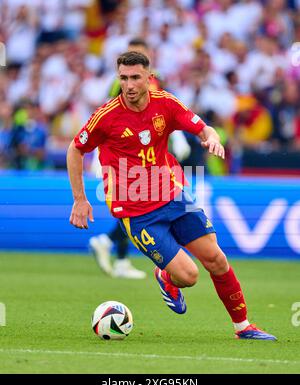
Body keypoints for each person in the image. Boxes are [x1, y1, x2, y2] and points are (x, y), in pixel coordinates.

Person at [67, 51, 276, 340]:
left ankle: (243, 327)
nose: (129, 85)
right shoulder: (106, 116)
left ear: (148, 78)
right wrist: (80, 198)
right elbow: (75, 149)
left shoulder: (165, 104)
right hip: (137, 212)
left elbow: (203, 128)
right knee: (188, 276)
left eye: (135, 78)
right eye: (124, 78)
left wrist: (212, 138)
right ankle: (166, 276)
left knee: (216, 259)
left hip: (174, 196)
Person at [89, 38, 190, 279]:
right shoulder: (124, 86)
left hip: (146, 151)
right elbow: (109, 116)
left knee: (138, 204)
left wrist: (177, 139)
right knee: (136, 204)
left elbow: (162, 114)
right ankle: (108, 242)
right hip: (122, 153)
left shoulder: (152, 83)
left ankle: (121, 259)